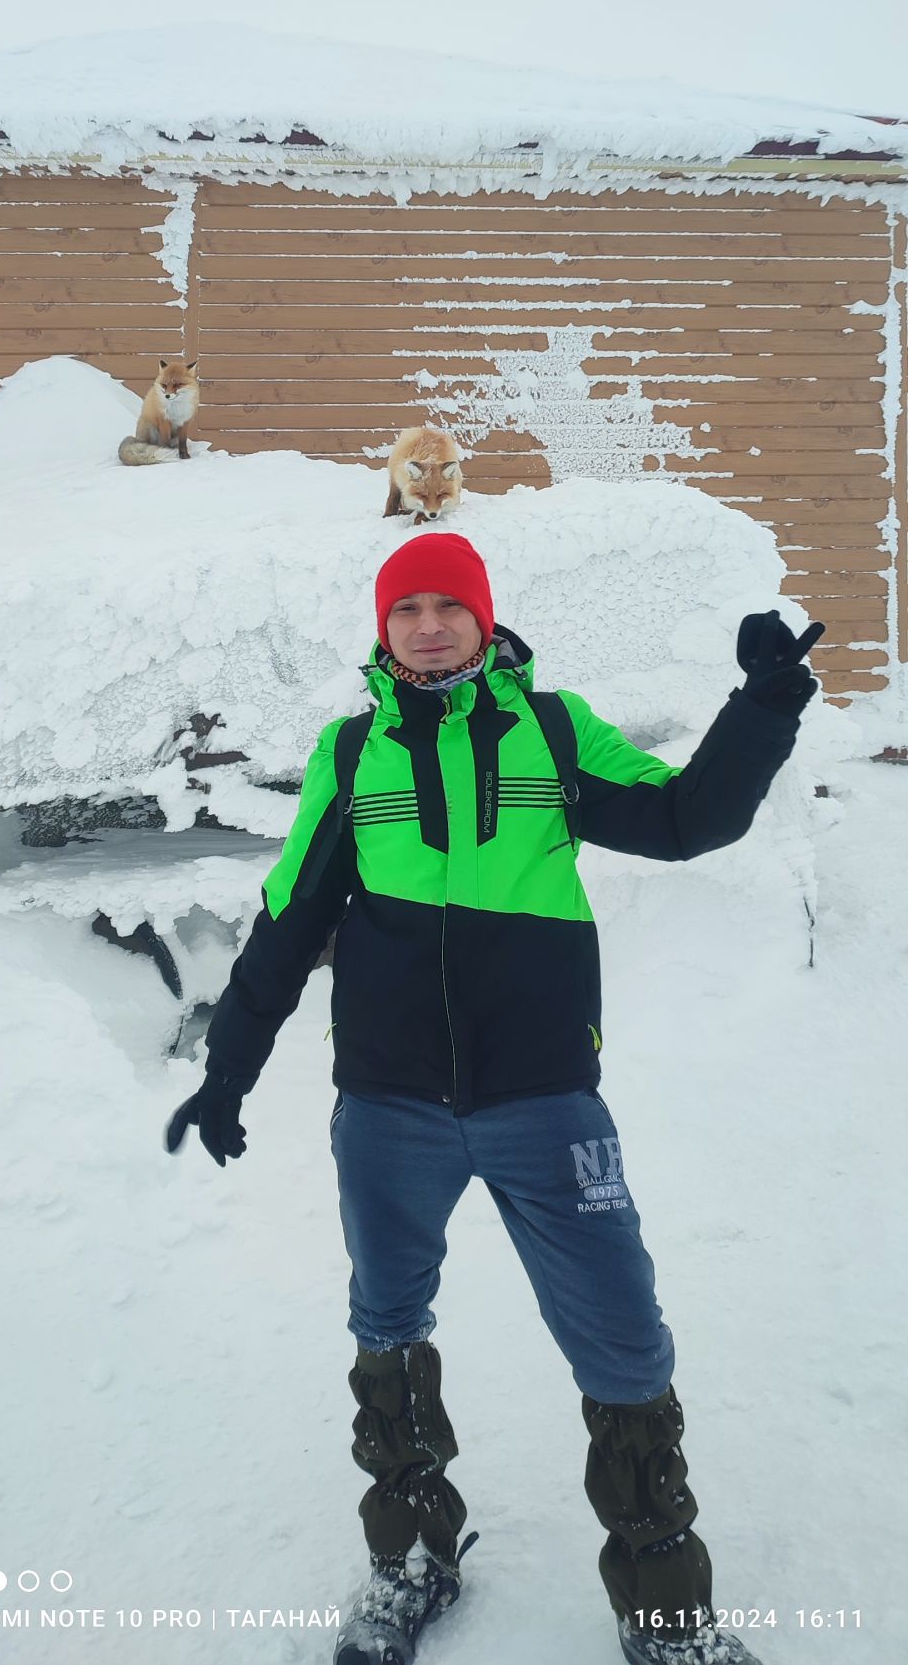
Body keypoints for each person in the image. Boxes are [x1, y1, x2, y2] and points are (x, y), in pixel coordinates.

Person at [165, 533, 823, 1665]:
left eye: (448, 606)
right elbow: (290, 916)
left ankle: (666, 1608)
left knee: (624, 1340)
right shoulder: (351, 750)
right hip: (389, 1106)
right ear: (384, 628)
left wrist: (761, 707)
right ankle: (412, 1560)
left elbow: (684, 820)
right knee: (386, 1327)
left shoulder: (553, 732)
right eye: (406, 609)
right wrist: (229, 1068)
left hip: (544, 1098)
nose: (428, 627)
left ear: (484, 617)